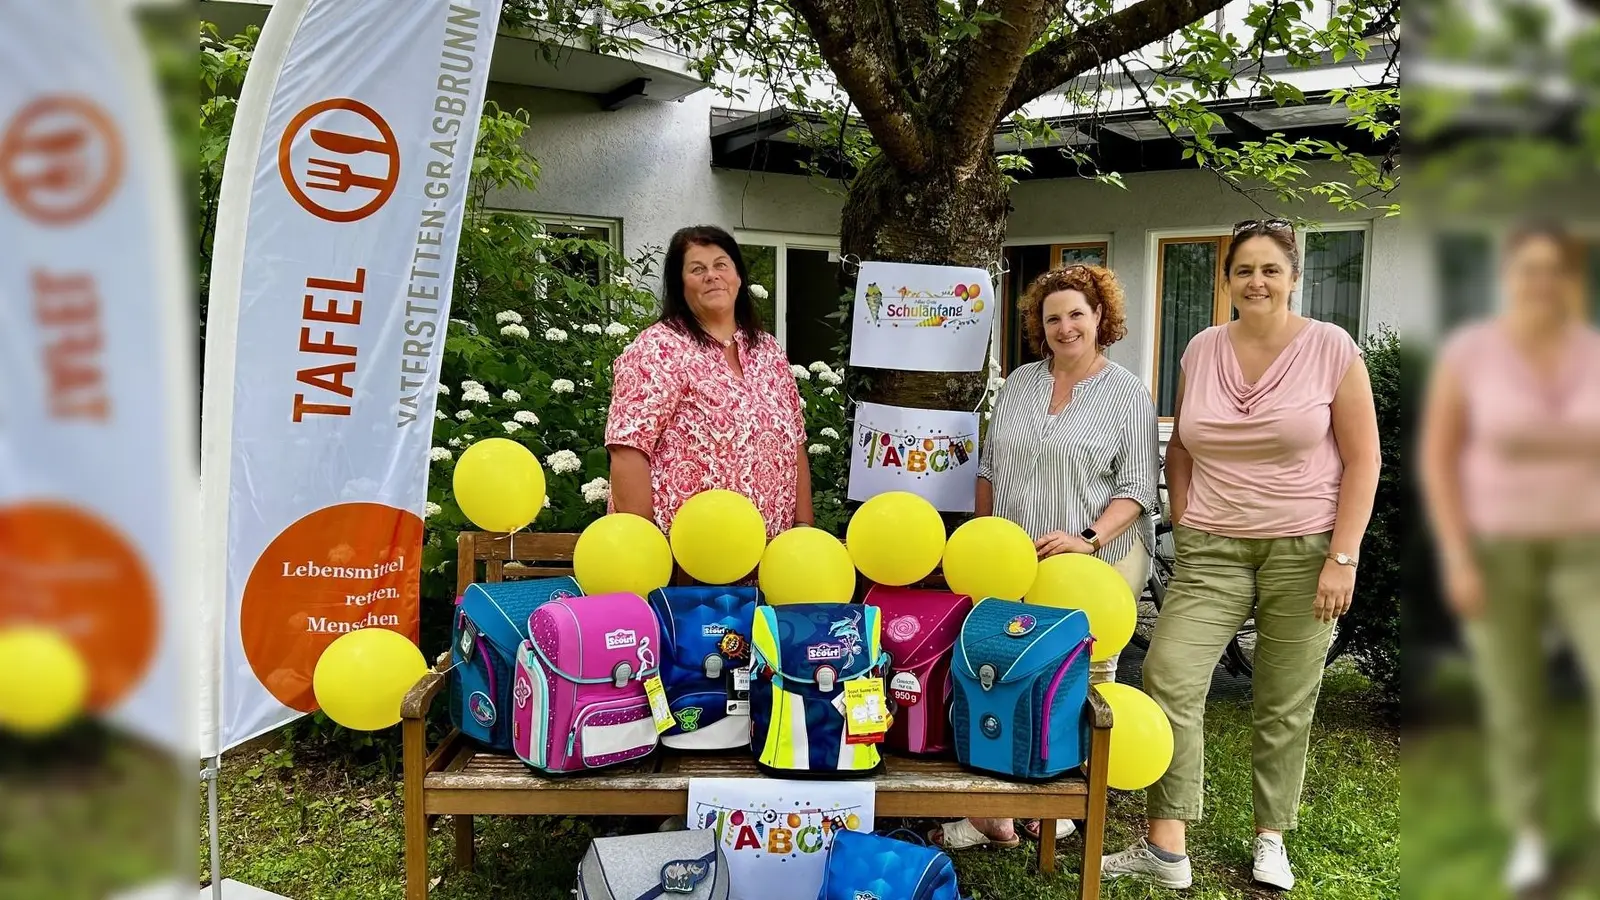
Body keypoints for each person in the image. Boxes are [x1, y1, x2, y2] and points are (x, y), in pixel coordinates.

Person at [1100, 219, 1381, 892]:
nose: (1257, 281)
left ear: (1293, 278)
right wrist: (1185, 516)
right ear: (1226, 280)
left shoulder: (1331, 348)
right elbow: (1182, 445)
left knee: (1284, 697)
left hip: (1305, 549)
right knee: (1168, 674)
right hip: (1212, 550)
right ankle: (1167, 844)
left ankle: (1270, 836)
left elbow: (1364, 459)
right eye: (1244, 270)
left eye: (1270, 269)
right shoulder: (1202, 349)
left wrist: (1342, 558)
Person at [929, 263, 1160, 852]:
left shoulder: (1128, 394)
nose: (1065, 327)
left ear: (1100, 316)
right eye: (1052, 317)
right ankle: (996, 813)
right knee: (1003, 675)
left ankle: (1060, 812)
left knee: (1076, 685)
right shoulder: (1018, 385)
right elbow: (987, 470)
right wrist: (986, 539)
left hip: (1090, 562)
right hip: (1014, 562)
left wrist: (1087, 537)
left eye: (1077, 314)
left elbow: (1137, 487)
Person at [1419, 222, 1600, 894]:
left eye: (1555, 270)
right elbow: (1440, 458)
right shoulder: (1471, 354)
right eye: (1529, 269)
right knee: (1513, 695)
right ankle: (1528, 834)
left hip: (1587, 548)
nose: (1541, 283)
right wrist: (1458, 556)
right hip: (1498, 549)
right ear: (1508, 277)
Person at [605, 225, 814, 541]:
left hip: (770, 554)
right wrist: (646, 547)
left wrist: (803, 530)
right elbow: (628, 449)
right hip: (683, 559)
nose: (712, 276)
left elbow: (795, 443)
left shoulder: (768, 351)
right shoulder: (659, 347)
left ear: (738, 277)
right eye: (697, 269)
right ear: (680, 285)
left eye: (721, 265)